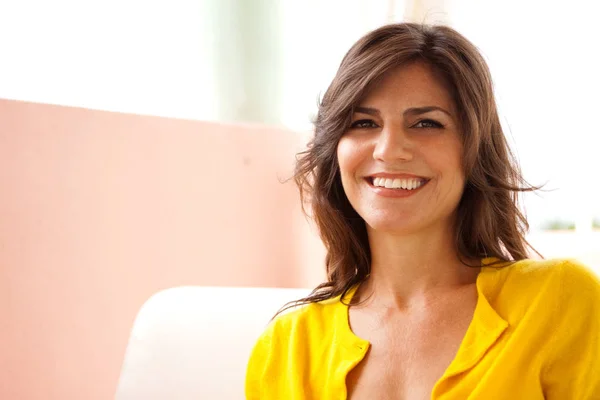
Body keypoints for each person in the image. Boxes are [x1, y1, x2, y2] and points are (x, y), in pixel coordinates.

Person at [245, 22, 600, 399]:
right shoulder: (285, 347)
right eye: (364, 123)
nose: (389, 149)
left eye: (427, 123)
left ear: (474, 150)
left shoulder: (559, 302)